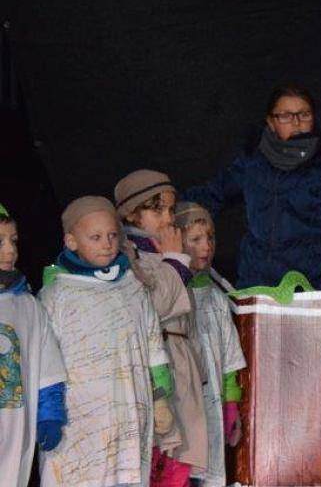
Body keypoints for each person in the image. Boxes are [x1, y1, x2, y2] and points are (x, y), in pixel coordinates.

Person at [39, 196, 173, 487]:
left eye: (112, 235)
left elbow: (153, 346)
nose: (107, 244)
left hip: (130, 414)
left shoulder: (133, 287)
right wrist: (47, 414)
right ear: (71, 241)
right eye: (96, 237)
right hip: (80, 422)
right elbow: (45, 362)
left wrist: (160, 398)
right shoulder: (56, 295)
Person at [185, 84, 321, 289]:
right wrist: (169, 209)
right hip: (254, 282)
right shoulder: (252, 164)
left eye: (304, 114)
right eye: (286, 116)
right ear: (271, 122)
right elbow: (213, 194)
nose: (296, 122)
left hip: (305, 285)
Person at [115, 169, 208, 486]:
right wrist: (175, 261)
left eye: (170, 209)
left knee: (180, 463)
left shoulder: (167, 249)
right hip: (154, 366)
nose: (168, 219)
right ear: (132, 213)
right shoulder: (125, 254)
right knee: (156, 457)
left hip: (180, 362)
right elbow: (152, 306)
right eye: (158, 211)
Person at [176, 201, 247, 487]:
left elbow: (230, 360)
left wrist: (231, 406)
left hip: (212, 408)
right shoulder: (173, 297)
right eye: (195, 240)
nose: (206, 247)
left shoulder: (216, 298)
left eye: (210, 238)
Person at [0, 202, 68, 487]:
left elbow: (48, 367)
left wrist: (50, 415)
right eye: (0, 242)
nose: (10, 251)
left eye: (13, 241)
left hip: (13, 433)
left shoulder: (28, 307)